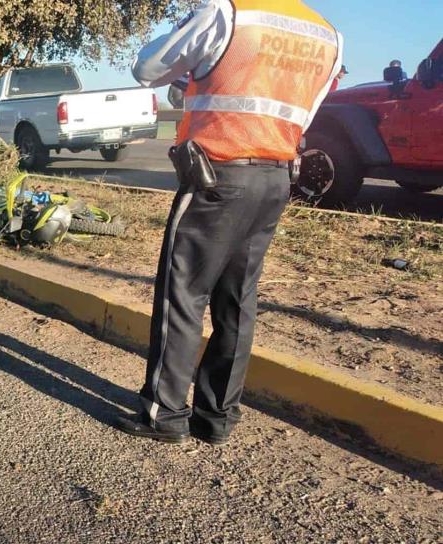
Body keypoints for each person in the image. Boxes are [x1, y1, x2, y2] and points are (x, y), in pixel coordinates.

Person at [116, 0, 342, 445]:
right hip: (276, 178)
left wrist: (188, 61)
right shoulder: (328, 35)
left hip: (218, 175)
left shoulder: (227, 12)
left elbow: (147, 69)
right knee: (238, 300)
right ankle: (217, 417)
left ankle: (164, 414)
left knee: (183, 294)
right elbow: (305, 113)